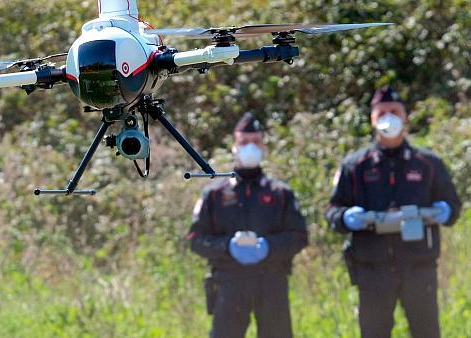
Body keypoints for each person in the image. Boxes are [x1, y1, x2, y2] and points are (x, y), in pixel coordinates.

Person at [325, 86, 462, 338]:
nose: (389, 117)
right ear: (372, 119)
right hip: (372, 269)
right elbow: (333, 211)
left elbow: (453, 205)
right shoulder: (355, 166)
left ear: (405, 116)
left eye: (394, 111)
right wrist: (346, 217)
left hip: (418, 267)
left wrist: (444, 211)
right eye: (382, 112)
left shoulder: (428, 163)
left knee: (427, 332)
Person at [188, 112, 308, 338]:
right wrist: (227, 247)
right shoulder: (214, 194)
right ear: (234, 146)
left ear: (263, 146)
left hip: (272, 281)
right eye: (244, 142)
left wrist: (268, 246)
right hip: (229, 282)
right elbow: (195, 239)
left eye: (255, 142)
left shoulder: (280, 193)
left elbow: (300, 236)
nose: (250, 148)